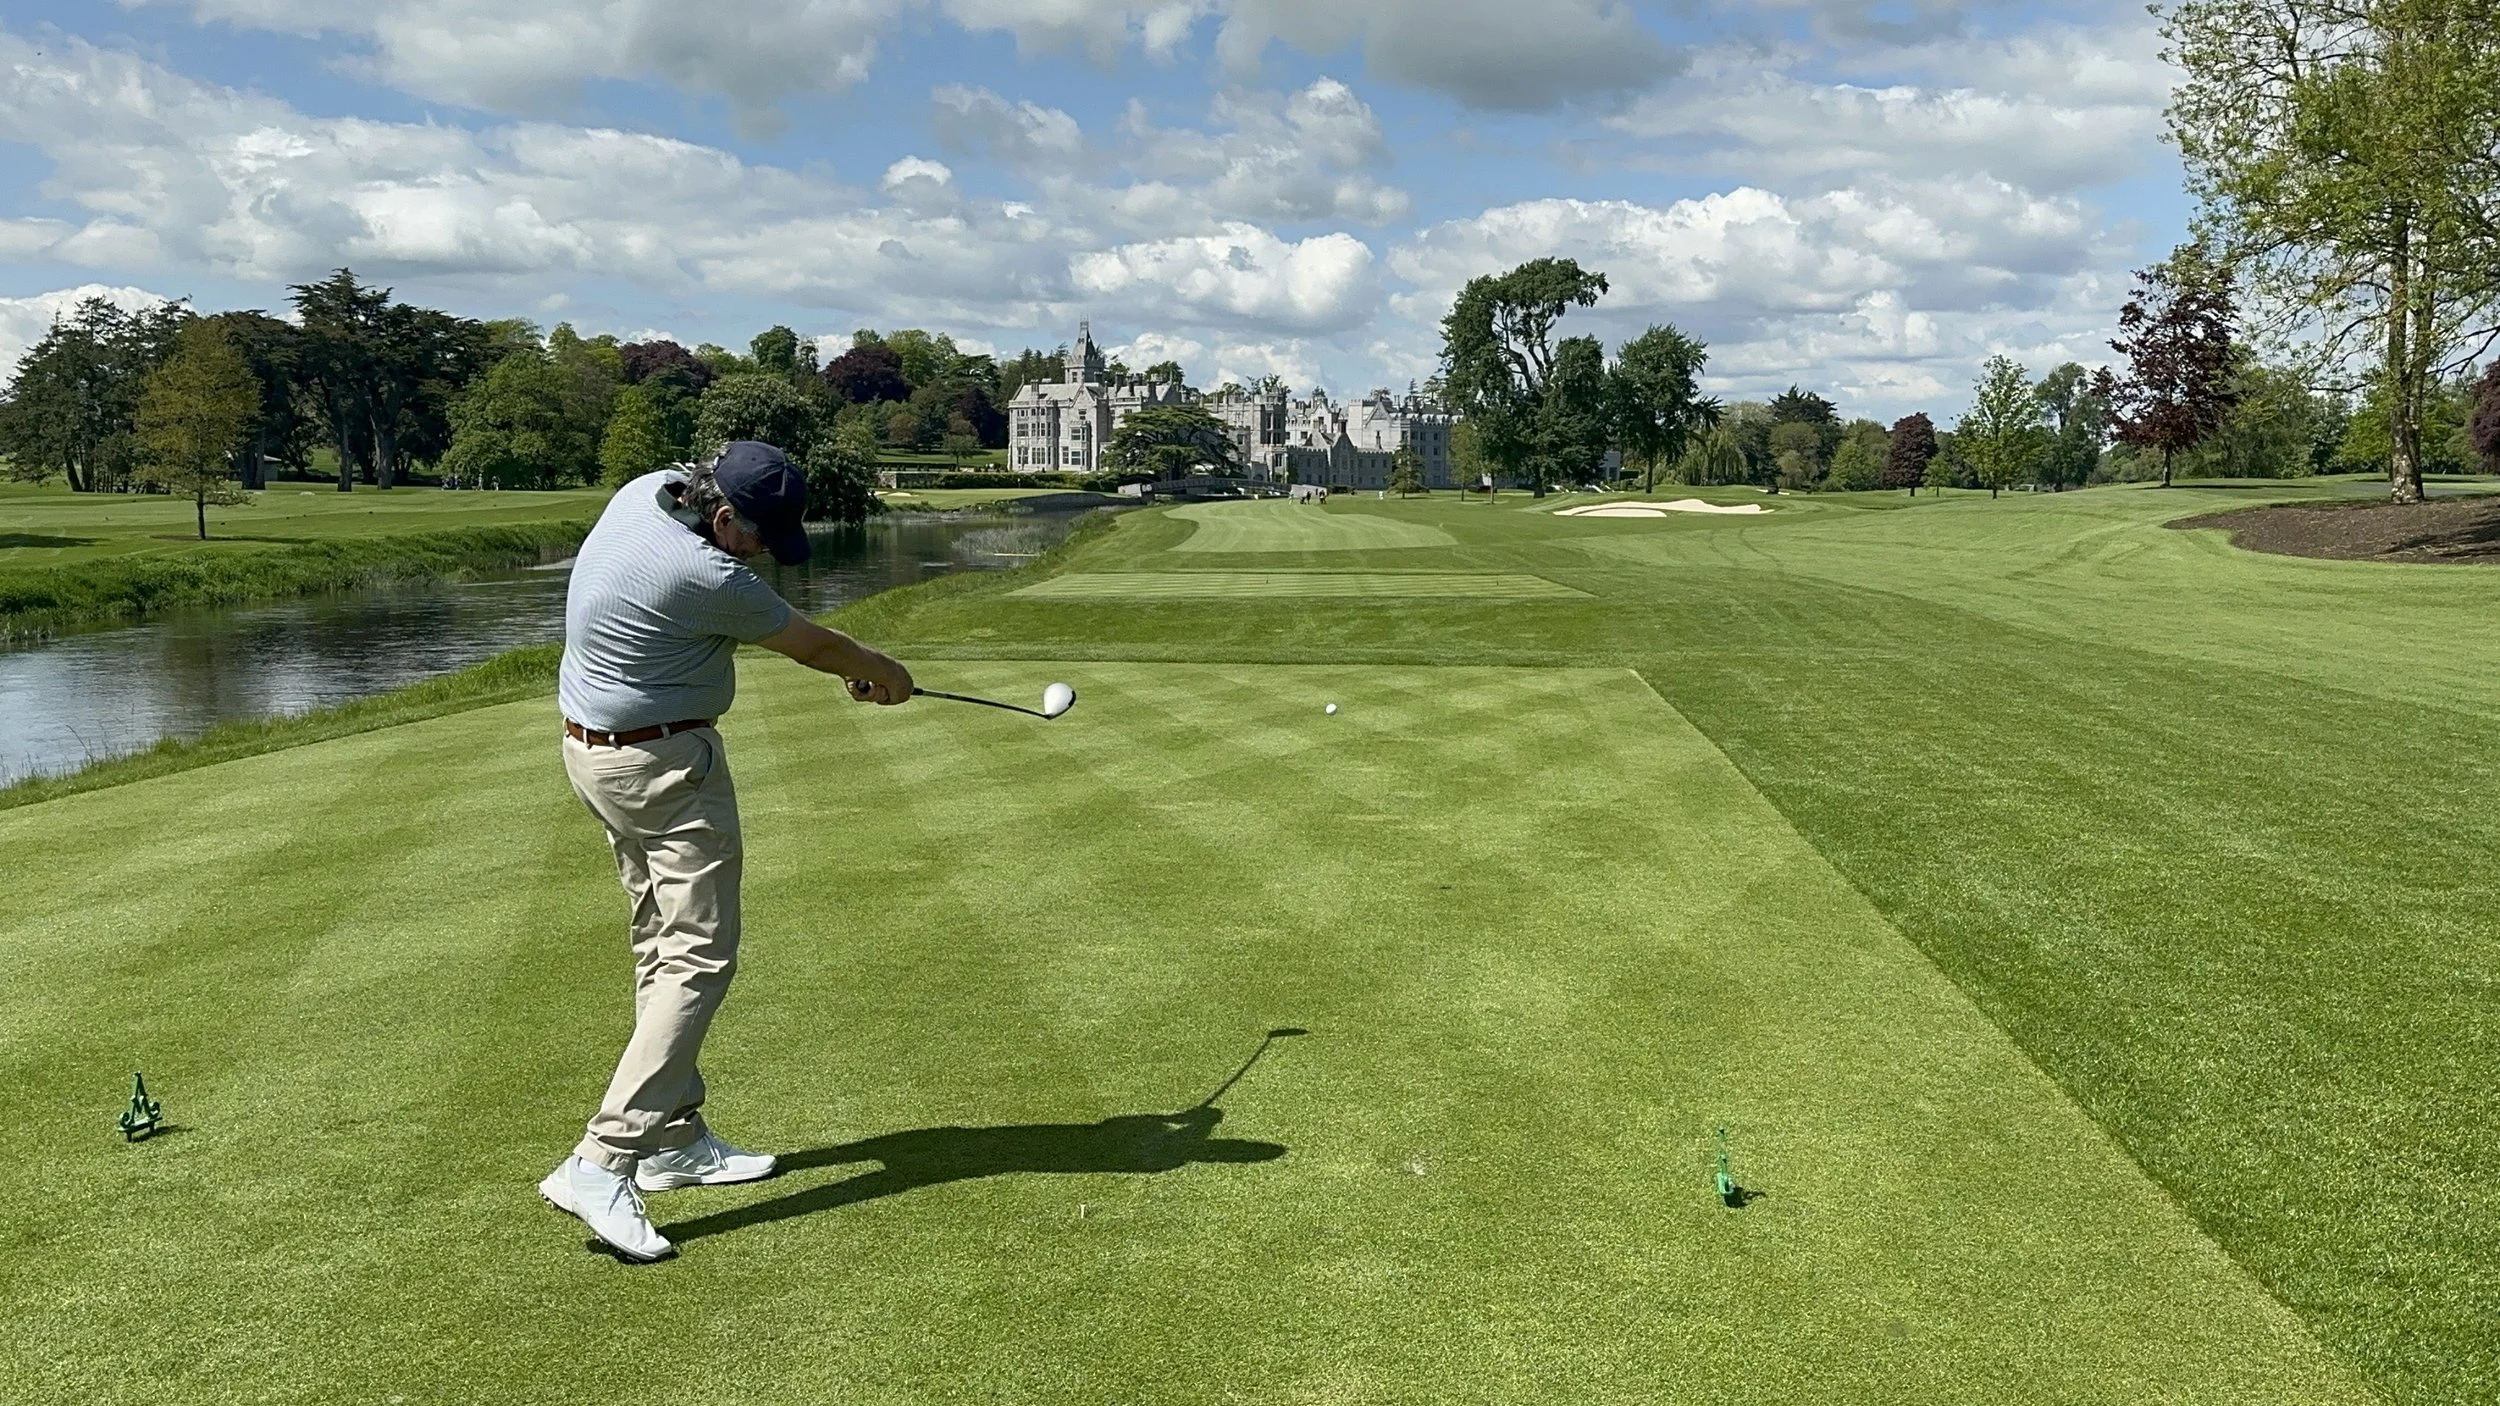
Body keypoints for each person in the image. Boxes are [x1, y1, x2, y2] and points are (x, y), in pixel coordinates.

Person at [538, 441, 913, 1262]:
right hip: (664, 770)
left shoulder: (645, 492)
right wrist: (884, 671)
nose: (768, 556)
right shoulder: (710, 576)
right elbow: (816, 645)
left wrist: (847, 665)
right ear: (721, 516)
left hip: (592, 755)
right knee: (699, 960)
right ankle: (602, 1161)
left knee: (659, 945)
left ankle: (672, 1140)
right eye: (761, 537)